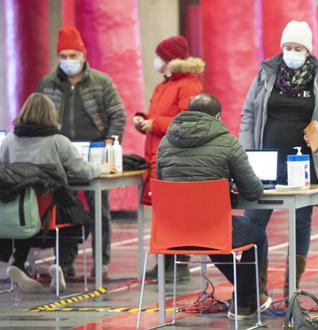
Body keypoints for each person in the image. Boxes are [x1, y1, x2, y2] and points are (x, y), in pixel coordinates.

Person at [240, 20, 318, 302]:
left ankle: (291, 291)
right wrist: (247, 153)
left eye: (298, 48)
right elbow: (248, 114)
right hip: (265, 164)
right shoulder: (265, 75)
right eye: (288, 47)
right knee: (253, 221)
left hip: (304, 165)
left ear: (308, 51)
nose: (292, 52)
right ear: (281, 48)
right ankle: (254, 289)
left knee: (301, 222)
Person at [156, 93, 271, 318]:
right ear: (218, 116)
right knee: (255, 235)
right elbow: (254, 191)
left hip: (171, 233)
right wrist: (229, 192)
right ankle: (247, 302)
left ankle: (248, 297)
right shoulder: (227, 142)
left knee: (213, 238)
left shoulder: (165, 142)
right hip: (211, 229)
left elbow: (163, 184)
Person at [0, 93, 113, 293]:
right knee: (80, 220)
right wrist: (102, 168)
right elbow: (83, 170)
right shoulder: (58, 141)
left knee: (29, 225)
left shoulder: (9, 140)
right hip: (52, 211)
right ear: (51, 114)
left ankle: (17, 264)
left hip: (19, 214)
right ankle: (61, 265)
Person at [37, 26, 126, 278]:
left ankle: (102, 261)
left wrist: (110, 144)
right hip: (59, 156)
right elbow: (41, 115)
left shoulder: (101, 81)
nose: (68, 61)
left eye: (72, 56)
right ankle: (65, 262)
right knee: (65, 210)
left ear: (83, 56)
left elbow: (117, 114)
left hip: (95, 154)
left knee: (100, 210)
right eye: (63, 56)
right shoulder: (47, 82)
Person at [135, 35, 205, 281]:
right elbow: (162, 117)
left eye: (159, 57)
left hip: (175, 157)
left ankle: (180, 262)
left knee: (176, 212)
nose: (156, 61)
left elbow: (190, 121)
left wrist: (155, 124)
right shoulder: (165, 84)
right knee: (163, 213)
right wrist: (144, 120)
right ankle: (165, 261)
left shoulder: (188, 85)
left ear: (170, 59)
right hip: (158, 155)